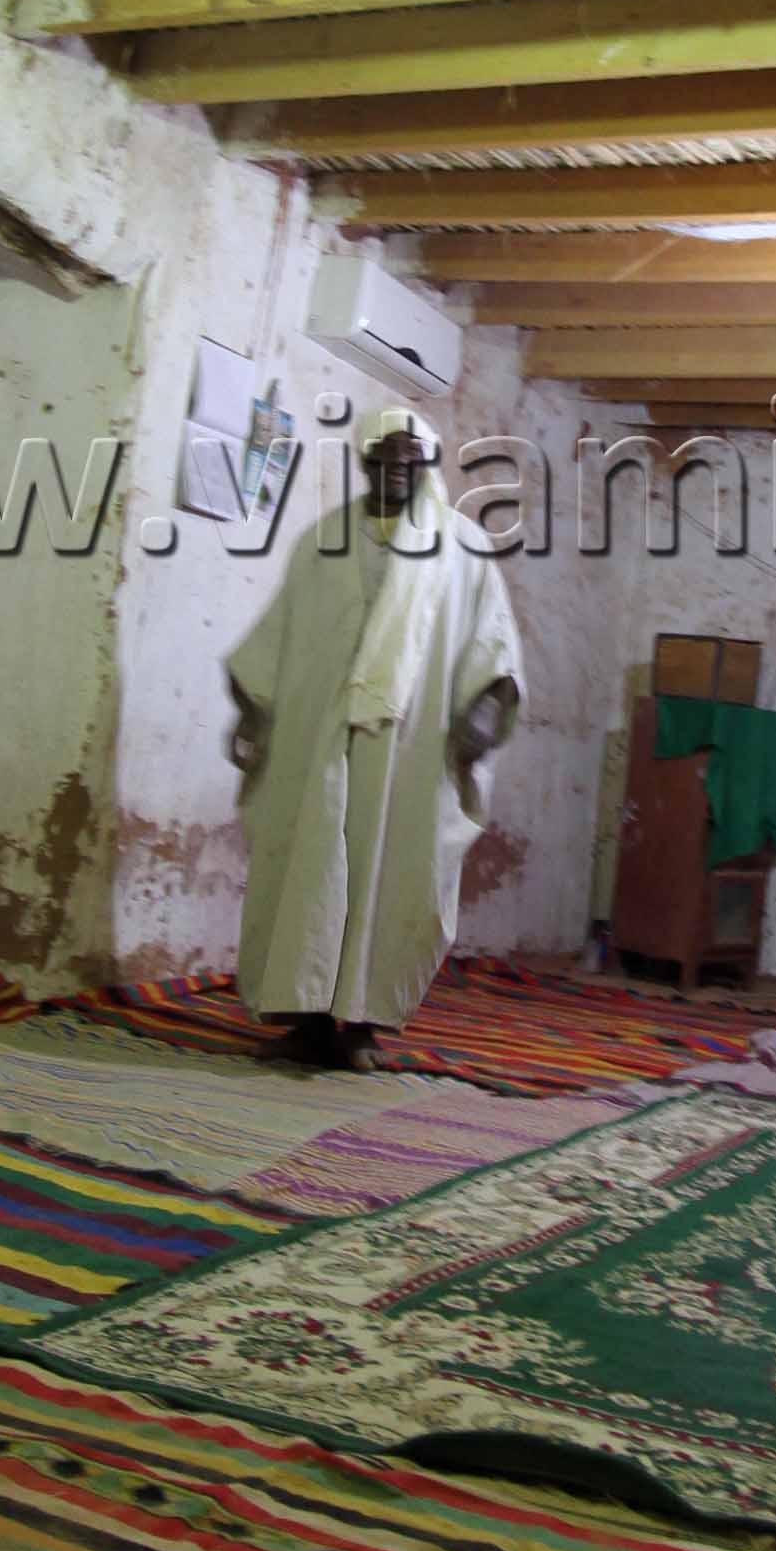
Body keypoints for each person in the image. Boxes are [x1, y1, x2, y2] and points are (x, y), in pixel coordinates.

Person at [224, 403, 523, 1069]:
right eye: (383, 459)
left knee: (391, 877)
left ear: (427, 467)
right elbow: (277, 639)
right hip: (317, 741)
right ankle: (303, 1018)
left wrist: (478, 722)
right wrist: (252, 712)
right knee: (307, 870)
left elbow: (494, 649)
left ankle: (359, 1026)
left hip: (410, 750)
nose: (396, 471)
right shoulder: (321, 544)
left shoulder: (464, 553)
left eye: (410, 461)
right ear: (363, 464)